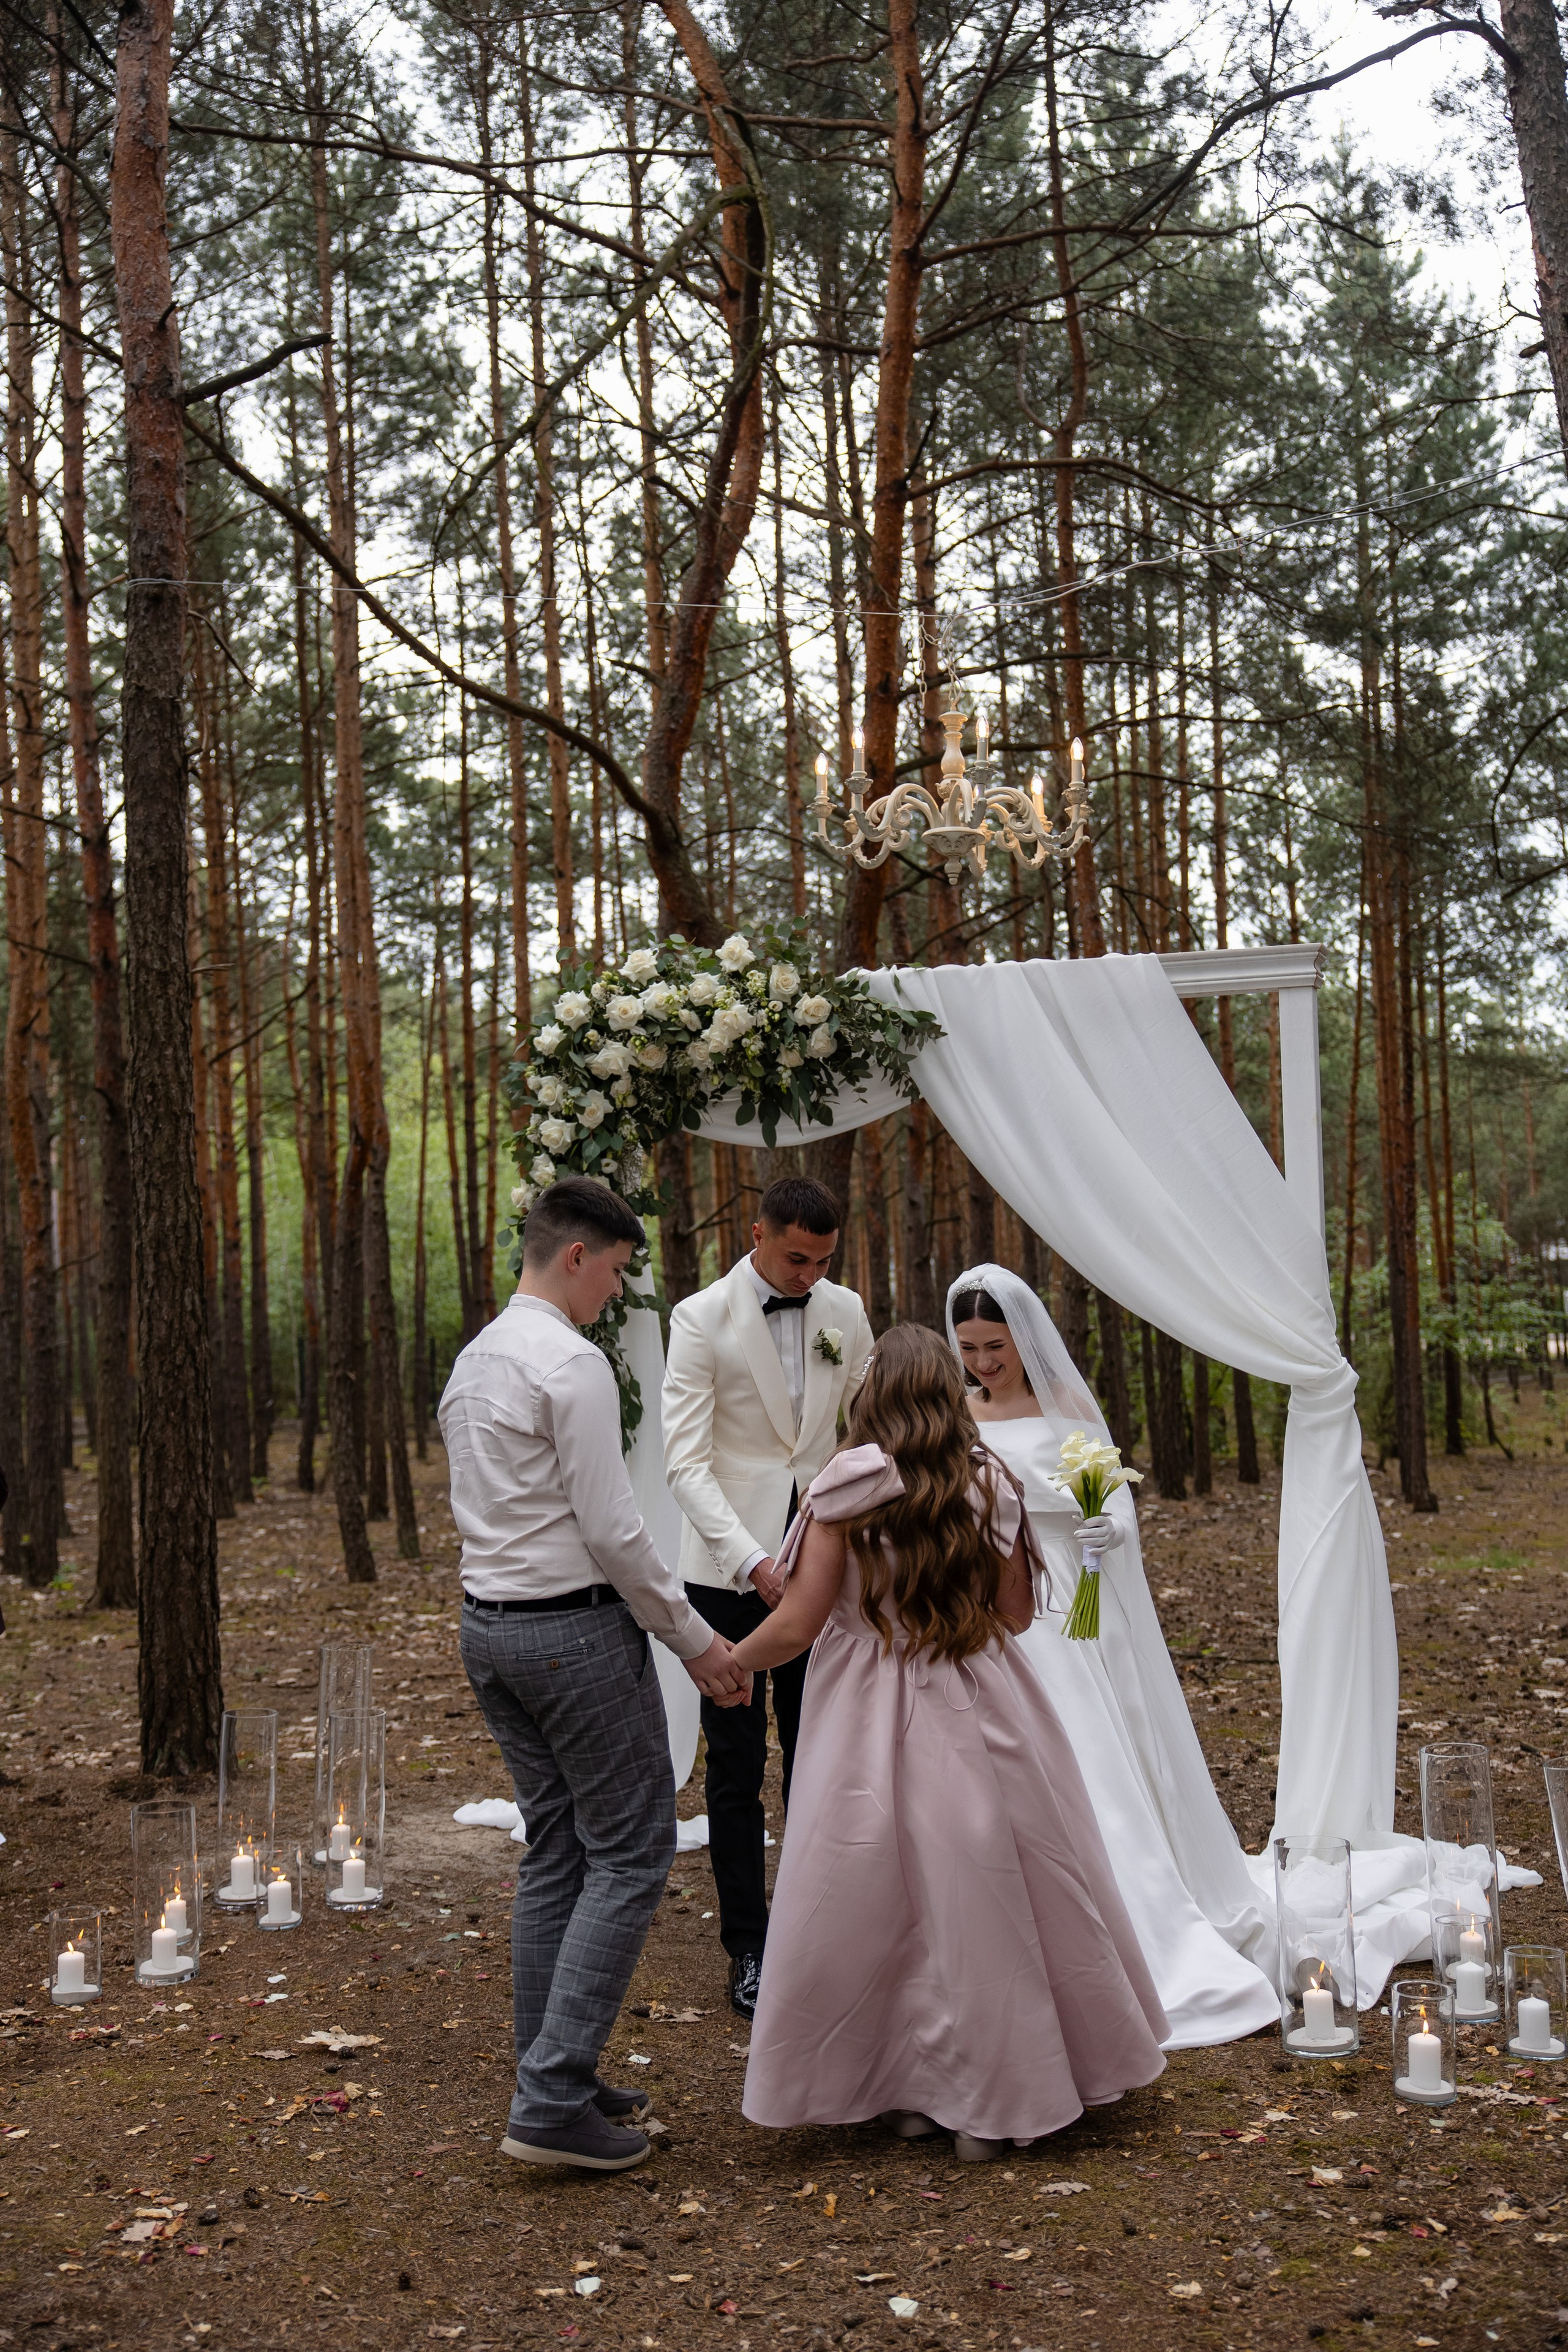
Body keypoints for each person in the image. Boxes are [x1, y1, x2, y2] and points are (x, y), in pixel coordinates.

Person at [731, 1323, 1168, 2155]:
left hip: (865, 1709)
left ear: (873, 1396)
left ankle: (907, 2090)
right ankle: (999, 2095)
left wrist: (727, 1663)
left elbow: (796, 1623)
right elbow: (1011, 1613)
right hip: (982, 1696)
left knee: (872, 1891)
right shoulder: (990, 1484)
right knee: (991, 1891)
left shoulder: (845, 1488)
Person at [439, 1176, 752, 2173]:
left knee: (560, 1849)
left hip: (489, 1631)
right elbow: (616, 1533)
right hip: (568, 1637)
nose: (614, 1293)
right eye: (614, 1272)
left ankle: (554, 2069)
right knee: (632, 1849)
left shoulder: (476, 1358)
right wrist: (695, 1640)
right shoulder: (567, 1367)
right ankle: (551, 2098)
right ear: (575, 1255)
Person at [946, 1264, 1278, 2046]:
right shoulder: (960, 1414)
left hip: (1073, 1597)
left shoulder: (1066, 1407)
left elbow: (1116, 1506)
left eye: (995, 1346)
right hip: (998, 1597)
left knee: (1094, 1752)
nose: (984, 1363)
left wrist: (1106, 1533)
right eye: (969, 1348)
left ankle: (1133, 1912)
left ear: (1023, 1338)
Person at [662, 1174, 873, 2016]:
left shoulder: (845, 1312)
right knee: (737, 1767)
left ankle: (826, 1933)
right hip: (727, 1576)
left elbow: (867, 1424)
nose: (808, 1276)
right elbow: (684, 1462)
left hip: (827, 1566)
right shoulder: (699, 1318)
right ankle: (747, 1946)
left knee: (825, 1756)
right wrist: (753, 1560)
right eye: (795, 1257)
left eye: (822, 1261)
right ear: (757, 1233)